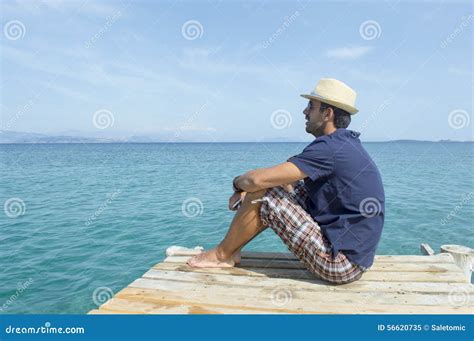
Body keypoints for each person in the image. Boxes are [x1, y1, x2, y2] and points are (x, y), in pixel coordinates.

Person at [187, 78, 385, 284]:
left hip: (341, 263)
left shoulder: (330, 148)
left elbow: (257, 180)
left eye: (311, 106)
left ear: (328, 114)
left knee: (266, 191)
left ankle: (222, 255)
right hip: (355, 259)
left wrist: (237, 184)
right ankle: (232, 250)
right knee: (270, 186)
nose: (305, 112)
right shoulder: (342, 144)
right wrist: (250, 191)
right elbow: (283, 179)